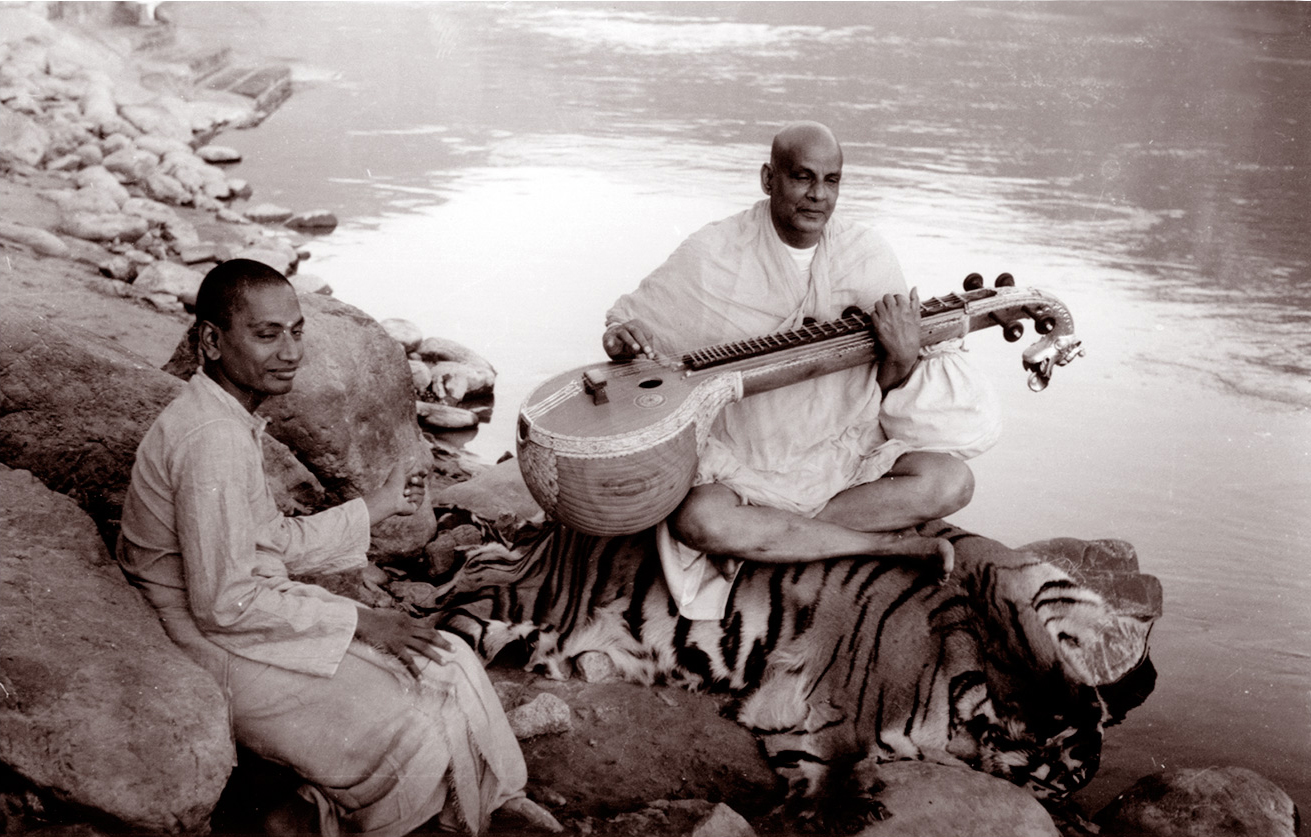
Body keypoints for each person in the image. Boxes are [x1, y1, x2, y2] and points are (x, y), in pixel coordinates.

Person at [117, 260, 557, 836]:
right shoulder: (212, 440)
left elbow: (268, 542)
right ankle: (320, 816)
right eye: (267, 334)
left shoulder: (224, 418)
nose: (290, 352)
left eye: (296, 331)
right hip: (206, 641)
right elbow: (222, 602)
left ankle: (481, 799)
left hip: (237, 619)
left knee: (446, 659)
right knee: (417, 721)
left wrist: (380, 504)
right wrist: (362, 622)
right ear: (212, 341)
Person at [604, 122, 974, 619]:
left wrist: (903, 356)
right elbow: (629, 331)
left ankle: (774, 539)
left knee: (952, 481)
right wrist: (621, 338)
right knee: (700, 520)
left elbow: (886, 387)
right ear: (768, 179)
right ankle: (886, 547)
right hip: (744, 457)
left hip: (840, 448)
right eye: (802, 177)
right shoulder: (713, 252)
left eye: (831, 180)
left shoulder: (866, 254)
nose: (818, 195)